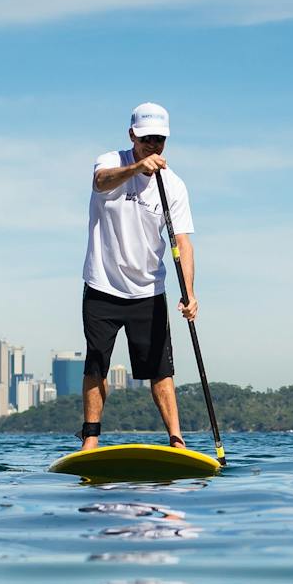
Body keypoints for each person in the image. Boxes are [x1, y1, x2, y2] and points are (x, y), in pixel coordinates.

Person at [78, 102, 197, 450]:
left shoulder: (173, 186)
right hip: (102, 284)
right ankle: (90, 440)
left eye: (160, 140)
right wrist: (135, 168)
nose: (154, 147)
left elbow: (182, 242)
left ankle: (176, 439)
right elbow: (100, 183)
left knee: (161, 371)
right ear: (132, 135)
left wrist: (189, 291)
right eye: (147, 139)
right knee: (96, 364)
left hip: (148, 289)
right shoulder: (110, 162)